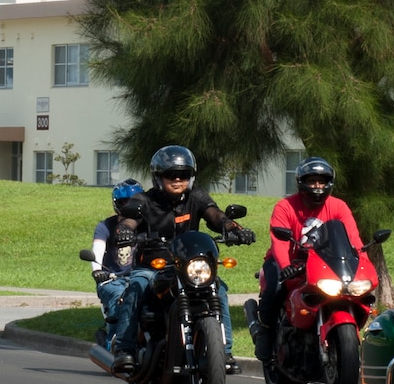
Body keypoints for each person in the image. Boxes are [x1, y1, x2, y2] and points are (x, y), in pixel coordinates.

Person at [104, 145, 255, 370]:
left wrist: (234, 228)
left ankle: (224, 351)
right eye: (170, 175)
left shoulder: (197, 196)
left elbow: (215, 215)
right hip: (153, 267)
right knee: (136, 286)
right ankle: (125, 349)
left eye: (183, 175)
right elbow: (128, 220)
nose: (177, 179)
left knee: (218, 289)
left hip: (188, 266)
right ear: (158, 177)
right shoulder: (144, 200)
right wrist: (124, 231)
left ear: (191, 177)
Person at [249, 157, 364, 363]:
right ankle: (265, 332)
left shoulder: (339, 207)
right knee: (275, 287)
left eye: (322, 181)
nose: (317, 186)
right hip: (288, 261)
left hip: (323, 263)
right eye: (312, 181)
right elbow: (279, 242)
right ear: (301, 182)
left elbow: (353, 239)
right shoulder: (285, 206)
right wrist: (285, 267)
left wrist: (362, 263)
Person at [91, 180, 145, 340]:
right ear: (116, 204)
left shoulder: (147, 225)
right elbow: (97, 250)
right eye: (124, 202)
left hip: (141, 277)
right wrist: (98, 271)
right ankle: (116, 343)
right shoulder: (105, 226)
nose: (129, 206)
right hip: (113, 280)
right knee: (120, 299)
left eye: (133, 202)